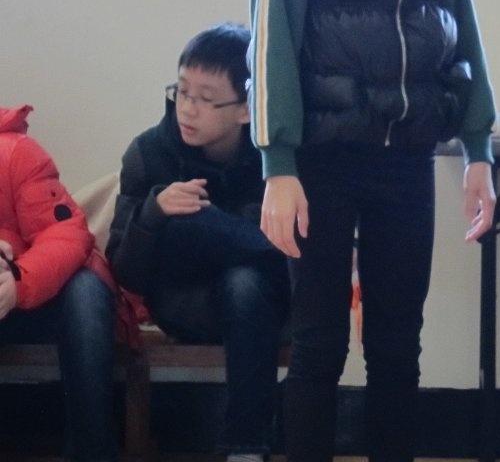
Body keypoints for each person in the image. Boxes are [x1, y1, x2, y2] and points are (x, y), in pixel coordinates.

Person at [247, 0, 497, 459]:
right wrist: (278, 164)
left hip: (405, 158)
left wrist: (478, 147)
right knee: (319, 344)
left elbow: (460, 27)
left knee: (396, 345)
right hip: (320, 162)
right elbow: (271, 41)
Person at [106, 23, 289, 462]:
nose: (187, 109)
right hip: (184, 302)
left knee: (242, 280)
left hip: (259, 306)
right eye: (182, 92)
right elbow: (124, 272)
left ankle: (245, 448)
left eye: (206, 99)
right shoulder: (149, 153)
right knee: (184, 220)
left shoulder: (275, 162)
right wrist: (153, 213)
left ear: (246, 109)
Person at [0, 104, 118, 462]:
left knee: (86, 292)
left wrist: (18, 280)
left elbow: (66, 233)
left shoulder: (16, 152)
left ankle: (92, 453)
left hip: (34, 292)